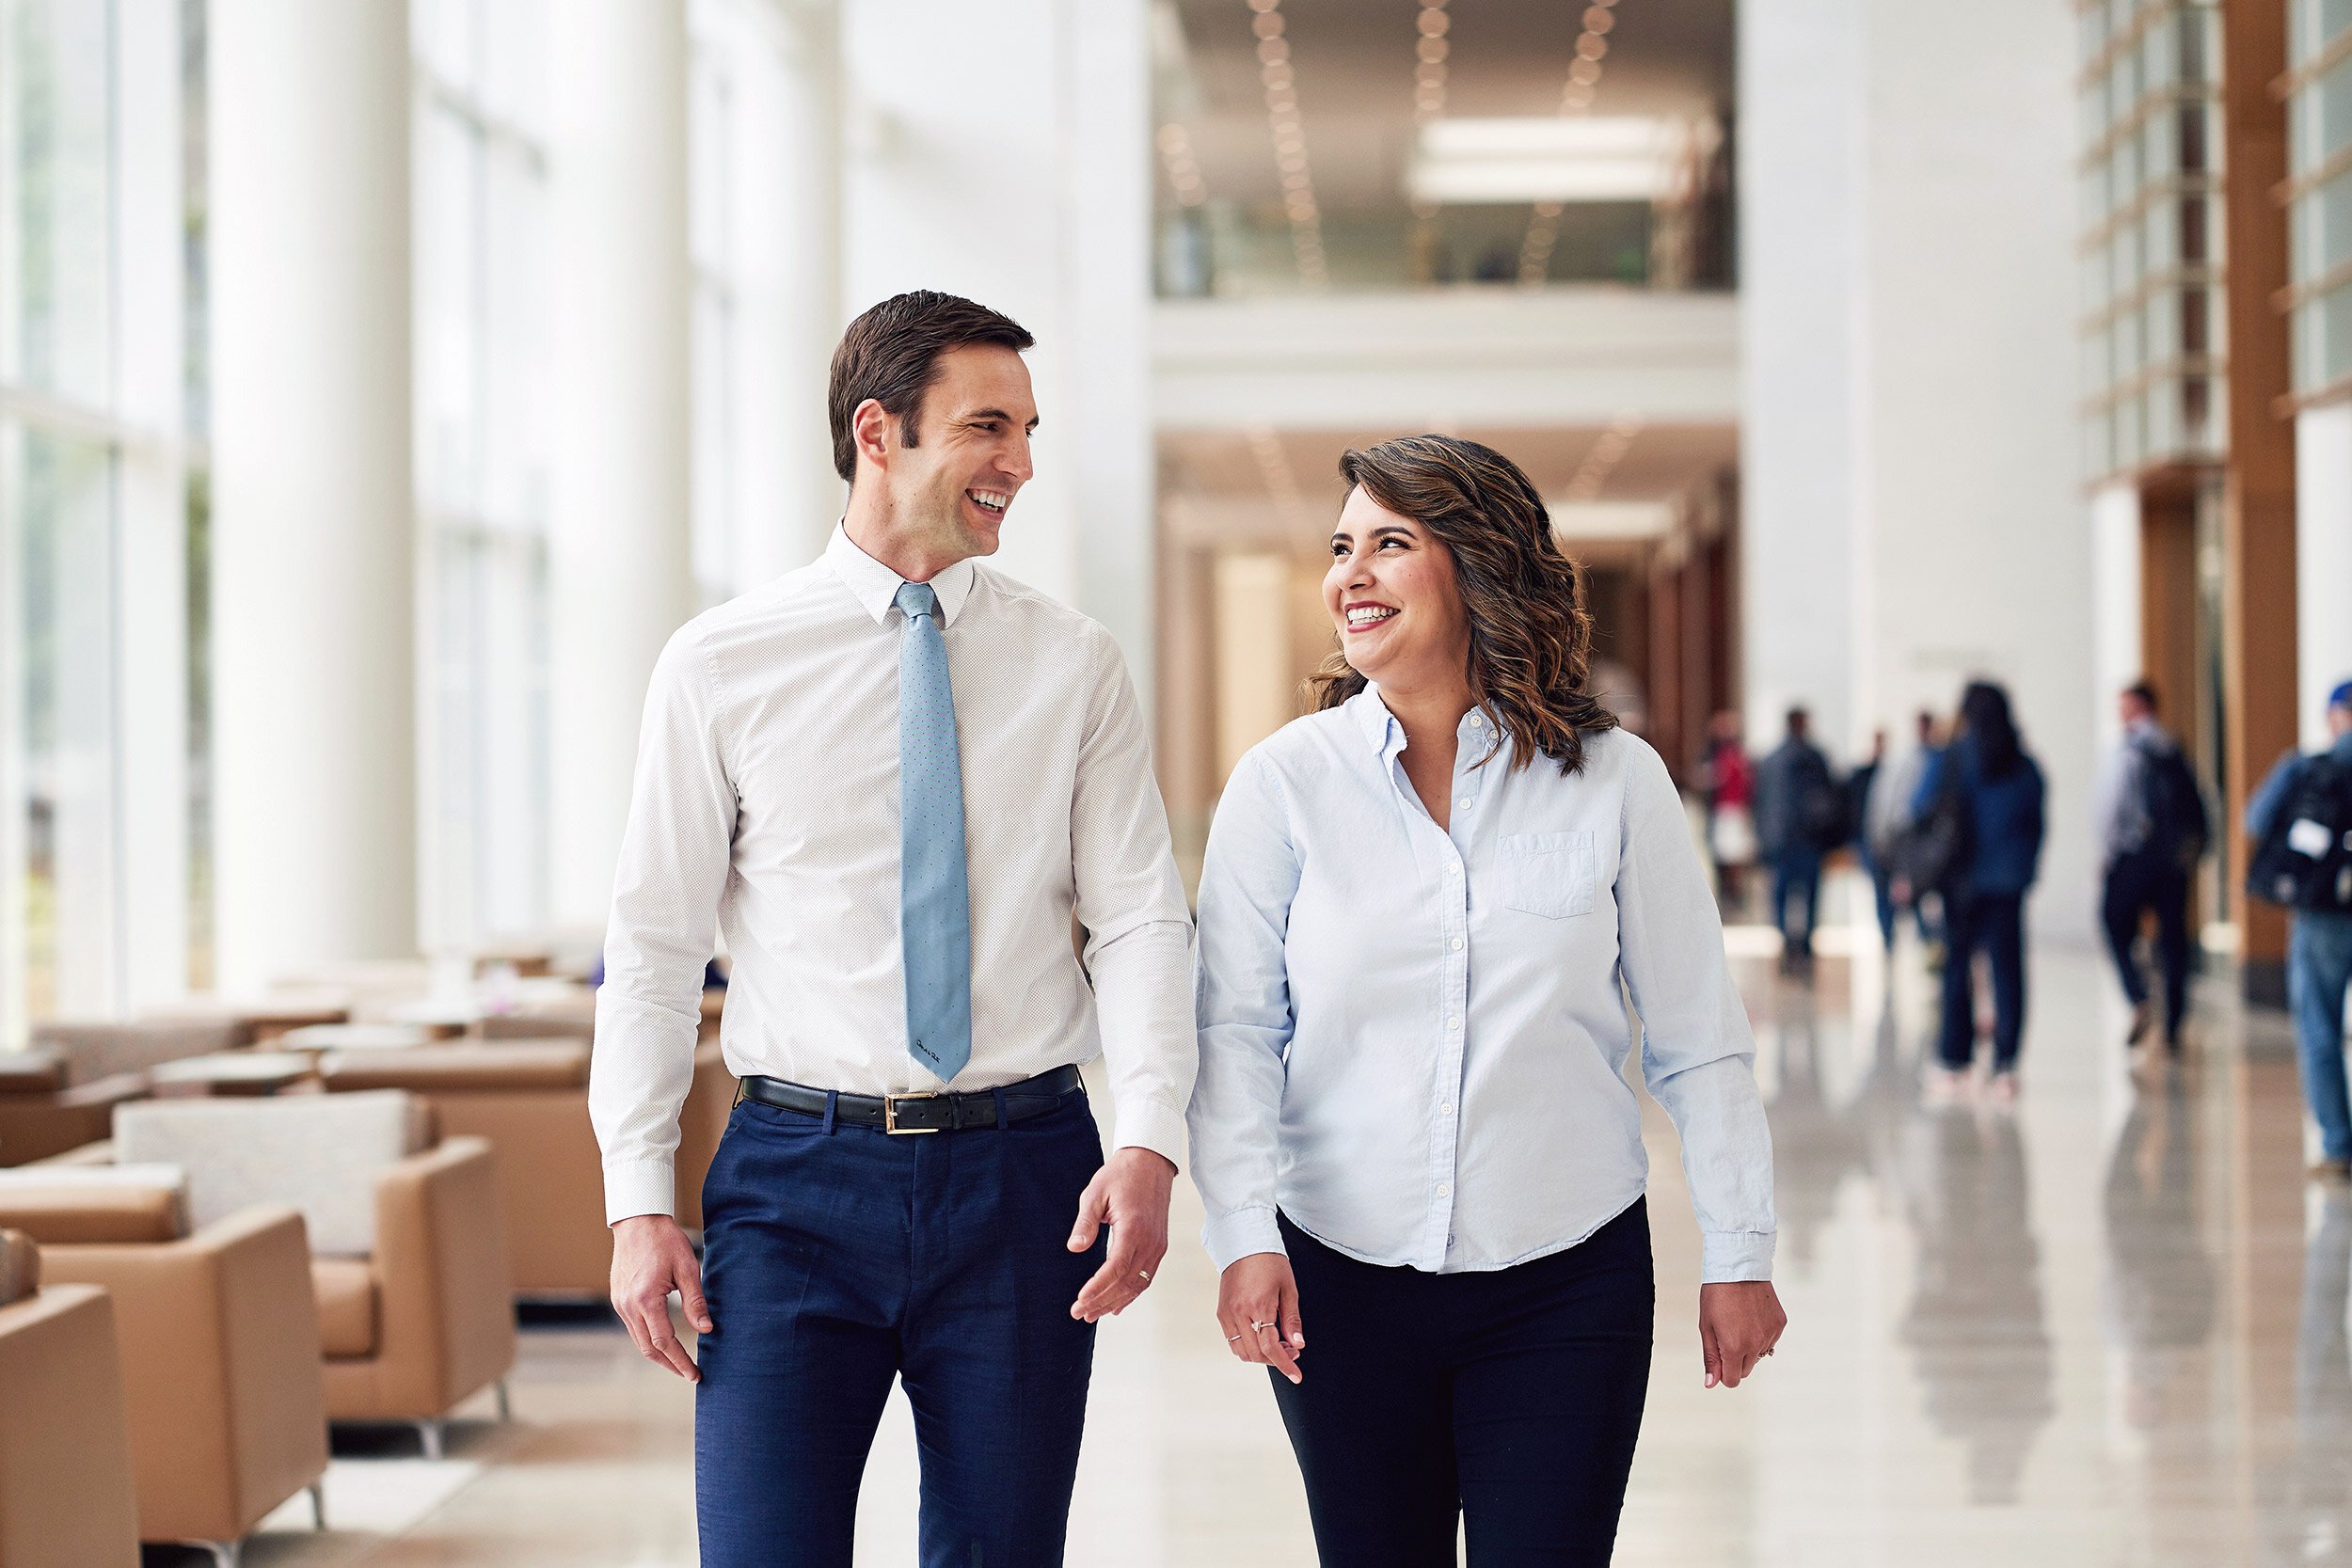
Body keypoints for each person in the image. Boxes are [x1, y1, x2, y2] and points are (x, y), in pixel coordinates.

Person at [589, 291, 1198, 1568]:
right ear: (880, 431)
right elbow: (652, 948)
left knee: (1000, 1550)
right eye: (989, 426)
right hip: (795, 1178)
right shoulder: (721, 662)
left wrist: (1148, 1133)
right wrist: (637, 1199)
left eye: (1029, 429)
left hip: (1026, 1176)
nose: (1021, 463)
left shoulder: (1072, 662)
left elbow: (1140, 914)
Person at [1188, 435, 1784, 1567]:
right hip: (1340, 1281)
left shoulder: (1615, 779)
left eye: (1390, 544)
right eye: (1339, 547)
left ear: (1478, 565)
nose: (1348, 574)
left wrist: (1739, 1248)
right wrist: (1242, 1231)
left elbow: (1698, 1040)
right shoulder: (1284, 785)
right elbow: (1234, 1033)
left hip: (1565, 1280)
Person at [1915, 680, 2046, 1101]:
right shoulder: (2025, 765)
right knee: (2008, 971)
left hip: (1960, 883)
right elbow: (2035, 825)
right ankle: (2006, 1065)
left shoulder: (1952, 759)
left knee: (1957, 970)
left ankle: (1956, 1060)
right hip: (2007, 884)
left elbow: (1921, 808)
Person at [2246, 679, 2352, 1181]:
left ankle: (2337, 1148)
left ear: (2334, 716)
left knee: (2320, 1030)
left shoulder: (2306, 768)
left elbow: (2255, 820)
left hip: (2323, 916)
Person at [2095, 680, 2208, 1053]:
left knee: (2114, 923)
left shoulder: (2130, 750)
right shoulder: (2173, 747)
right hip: (2173, 860)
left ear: (2137, 708)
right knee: (2172, 940)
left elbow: (2114, 806)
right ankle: (2174, 1023)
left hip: (2135, 855)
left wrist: (2107, 852)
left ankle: (2139, 995)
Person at [1754, 705, 1841, 976]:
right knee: (1803, 898)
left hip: (1787, 843)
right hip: (1800, 843)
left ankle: (1793, 949)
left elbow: (1761, 804)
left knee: (1785, 899)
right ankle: (1799, 949)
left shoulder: (1774, 760)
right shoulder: (1811, 758)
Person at [1869, 709, 1945, 948]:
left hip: (1931, 840)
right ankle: (1908, 942)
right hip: (1909, 838)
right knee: (1908, 895)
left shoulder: (1941, 760)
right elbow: (1887, 802)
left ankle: (1931, 945)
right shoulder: (1904, 761)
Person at [1700, 710, 1756, 910]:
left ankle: (1735, 896)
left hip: (1733, 811)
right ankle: (1728, 895)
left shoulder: (1736, 756)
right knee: (1723, 855)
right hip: (1721, 810)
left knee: (1734, 854)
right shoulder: (1715, 754)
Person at [1851, 729, 1896, 952]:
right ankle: (1886, 934)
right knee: (1880, 891)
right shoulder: (1862, 775)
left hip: (1888, 843)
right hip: (1869, 841)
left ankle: (1890, 933)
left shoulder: (1892, 773)